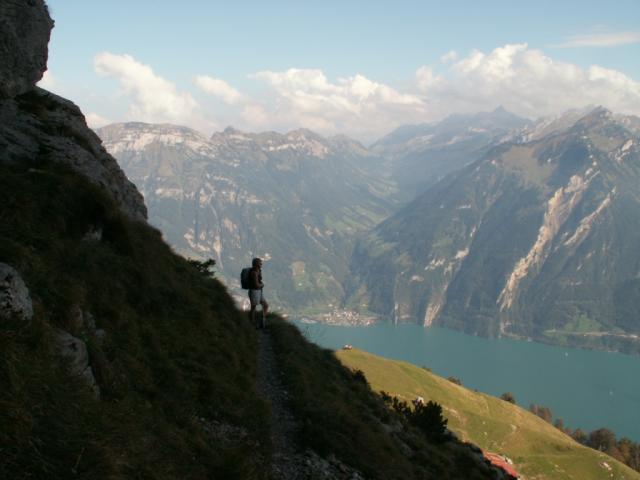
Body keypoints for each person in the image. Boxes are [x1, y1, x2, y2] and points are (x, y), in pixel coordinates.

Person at [248, 257, 269, 329]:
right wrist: (262, 285)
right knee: (253, 308)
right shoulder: (254, 273)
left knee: (265, 305)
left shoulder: (258, 271)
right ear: (256, 264)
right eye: (260, 263)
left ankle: (262, 320)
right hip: (254, 292)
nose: (261, 264)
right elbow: (256, 285)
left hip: (258, 291)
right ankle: (252, 323)